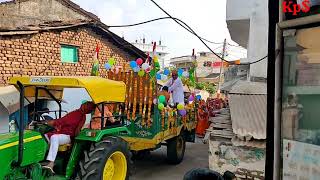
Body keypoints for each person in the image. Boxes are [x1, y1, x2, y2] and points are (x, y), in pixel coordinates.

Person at [43, 101, 96, 173]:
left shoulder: (80, 116)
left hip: (68, 136)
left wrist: (50, 122)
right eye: (85, 104)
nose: (83, 105)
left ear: (87, 108)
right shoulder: (76, 113)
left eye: (86, 105)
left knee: (54, 138)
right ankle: (41, 159)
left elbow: (63, 121)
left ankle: (51, 163)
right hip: (61, 133)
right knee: (42, 137)